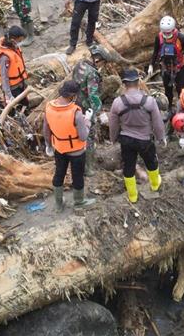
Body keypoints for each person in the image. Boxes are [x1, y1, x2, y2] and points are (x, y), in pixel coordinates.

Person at [108, 68, 165, 203]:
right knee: (151, 162)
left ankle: (133, 196)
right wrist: (161, 137)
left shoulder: (118, 102)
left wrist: (113, 138)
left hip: (126, 140)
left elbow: (113, 124)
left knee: (128, 166)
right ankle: (155, 185)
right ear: (138, 82)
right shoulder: (149, 101)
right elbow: (157, 122)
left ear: (124, 84)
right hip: (145, 139)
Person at [43, 80, 95, 212]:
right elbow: (83, 136)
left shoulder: (49, 107)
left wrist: (48, 145)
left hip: (59, 148)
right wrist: (87, 120)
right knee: (77, 176)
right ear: (73, 96)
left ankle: (58, 204)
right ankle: (79, 202)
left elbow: (46, 129)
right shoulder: (76, 113)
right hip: (76, 152)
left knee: (59, 173)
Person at [71, 44, 108, 175]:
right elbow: (93, 95)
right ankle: (88, 168)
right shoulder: (92, 73)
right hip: (86, 108)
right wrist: (98, 112)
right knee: (89, 135)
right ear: (98, 59)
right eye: (103, 61)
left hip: (75, 104)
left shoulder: (80, 64)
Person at [148, 16, 184, 110]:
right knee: (167, 90)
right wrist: (151, 65)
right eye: (164, 32)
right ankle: (169, 108)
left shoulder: (181, 38)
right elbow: (155, 52)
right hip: (165, 69)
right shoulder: (159, 37)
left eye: (168, 33)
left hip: (179, 68)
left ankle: (183, 107)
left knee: (180, 89)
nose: (166, 34)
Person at [0, 25, 29, 107]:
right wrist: (9, 96)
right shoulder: (4, 57)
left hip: (20, 83)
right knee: (15, 109)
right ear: (13, 39)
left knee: (25, 104)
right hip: (12, 88)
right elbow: (4, 77)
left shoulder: (13, 46)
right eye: (20, 40)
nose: (20, 42)